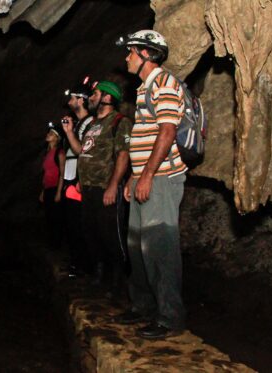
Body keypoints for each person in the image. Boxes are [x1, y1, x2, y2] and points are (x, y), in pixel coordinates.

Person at [114, 30, 187, 339]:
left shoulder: (165, 84)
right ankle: (143, 305)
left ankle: (170, 318)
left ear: (146, 54)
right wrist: (134, 175)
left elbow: (167, 133)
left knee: (160, 248)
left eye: (131, 52)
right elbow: (144, 139)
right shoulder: (145, 87)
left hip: (162, 180)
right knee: (136, 246)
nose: (127, 57)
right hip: (146, 178)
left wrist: (146, 176)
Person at [62, 81, 132, 291]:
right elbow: (81, 150)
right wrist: (68, 133)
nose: (91, 97)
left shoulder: (119, 121)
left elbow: (123, 155)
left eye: (95, 93)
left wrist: (113, 185)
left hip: (106, 188)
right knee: (92, 233)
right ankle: (100, 275)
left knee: (111, 234)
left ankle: (118, 280)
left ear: (107, 98)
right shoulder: (92, 125)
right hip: (89, 188)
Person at [61, 79, 95, 275]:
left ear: (81, 101)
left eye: (73, 98)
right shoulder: (78, 124)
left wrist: (69, 133)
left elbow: (83, 151)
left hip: (80, 180)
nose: (69, 102)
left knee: (79, 224)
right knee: (72, 222)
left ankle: (83, 264)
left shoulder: (89, 123)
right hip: (72, 178)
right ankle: (76, 260)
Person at [39, 123, 66, 250]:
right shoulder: (47, 153)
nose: (48, 135)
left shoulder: (59, 153)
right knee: (49, 217)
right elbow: (46, 174)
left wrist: (59, 192)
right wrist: (43, 191)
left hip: (56, 188)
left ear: (57, 138)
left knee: (56, 218)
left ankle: (58, 245)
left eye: (51, 133)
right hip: (48, 188)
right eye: (48, 133)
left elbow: (62, 173)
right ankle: (52, 244)